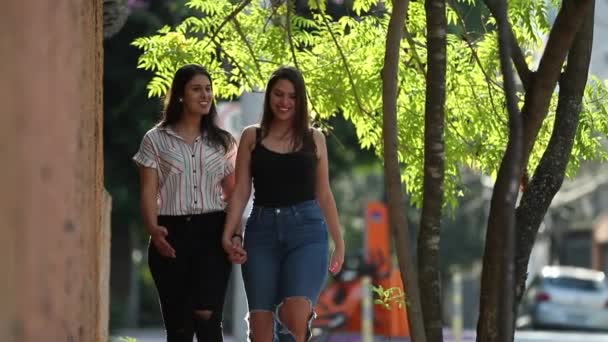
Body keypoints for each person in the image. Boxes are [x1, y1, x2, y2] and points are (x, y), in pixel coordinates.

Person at [222, 66, 345, 342]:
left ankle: (288, 326)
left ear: (300, 101)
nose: (285, 102)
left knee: (296, 315)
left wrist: (339, 242)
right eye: (278, 94)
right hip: (262, 232)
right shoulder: (252, 137)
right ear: (269, 96)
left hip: (307, 230)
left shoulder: (314, 139)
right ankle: (278, 326)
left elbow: (324, 194)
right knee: (260, 330)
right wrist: (229, 233)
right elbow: (241, 190)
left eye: (292, 96)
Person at [133, 64, 237, 342]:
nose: (205, 95)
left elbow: (234, 194)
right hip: (170, 233)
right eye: (196, 89)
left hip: (212, 232)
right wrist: (153, 229)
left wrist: (234, 234)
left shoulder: (224, 142)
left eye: (208, 89)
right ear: (180, 95)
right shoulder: (155, 139)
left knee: (207, 317)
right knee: (179, 327)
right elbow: (147, 191)